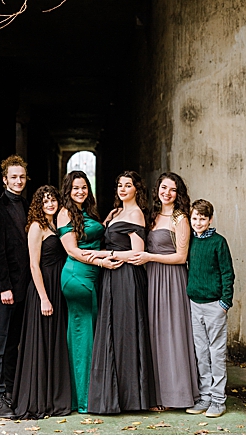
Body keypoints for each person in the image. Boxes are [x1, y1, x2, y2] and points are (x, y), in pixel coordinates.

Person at [87, 171, 158, 413]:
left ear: (137, 189)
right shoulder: (115, 212)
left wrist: (107, 254)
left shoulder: (136, 214)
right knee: (111, 330)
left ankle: (130, 397)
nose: (123, 188)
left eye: (128, 185)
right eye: (120, 185)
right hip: (111, 276)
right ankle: (110, 395)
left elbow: (137, 254)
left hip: (127, 277)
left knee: (126, 330)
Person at [133, 172, 201, 410]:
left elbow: (182, 257)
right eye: (163, 187)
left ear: (178, 193)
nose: (167, 193)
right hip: (151, 279)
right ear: (157, 189)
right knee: (154, 334)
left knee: (172, 333)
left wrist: (150, 257)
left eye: (172, 189)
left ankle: (176, 395)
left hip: (171, 279)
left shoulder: (180, 218)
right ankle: (158, 396)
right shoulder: (152, 216)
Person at [9, 185, 76, 418]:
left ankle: (57, 397)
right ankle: (40, 399)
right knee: (43, 342)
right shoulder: (37, 227)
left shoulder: (58, 224)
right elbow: (33, 265)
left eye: (53, 200)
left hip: (60, 285)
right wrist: (44, 298)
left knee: (57, 342)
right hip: (44, 288)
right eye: (45, 201)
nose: (50, 204)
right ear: (39, 204)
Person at [56, 170, 119, 413]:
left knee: (88, 333)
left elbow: (89, 236)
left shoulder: (85, 213)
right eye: (75, 188)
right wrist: (101, 262)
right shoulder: (64, 213)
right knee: (83, 336)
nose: (80, 191)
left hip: (90, 275)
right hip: (77, 275)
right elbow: (72, 250)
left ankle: (87, 394)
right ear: (68, 191)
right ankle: (82, 400)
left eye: (84, 187)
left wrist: (106, 222)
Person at [0, 155, 31, 418]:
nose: (18, 181)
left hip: (24, 289)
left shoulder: (26, 206)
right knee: (0, 343)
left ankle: (12, 391)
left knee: (15, 342)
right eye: (13, 177)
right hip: (5, 289)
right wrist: (4, 287)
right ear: (5, 180)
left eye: (22, 177)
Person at [186, 199, 235, 418]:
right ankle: (205, 396)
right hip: (195, 303)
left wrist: (225, 302)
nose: (198, 222)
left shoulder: (218, 242)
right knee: (201, 351)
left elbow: (227, 273)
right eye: (194, 218)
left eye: (202, 218)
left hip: (215, 305)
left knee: (216, 352)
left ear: (210, 219)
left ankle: (218, 399)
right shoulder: (190, 242)